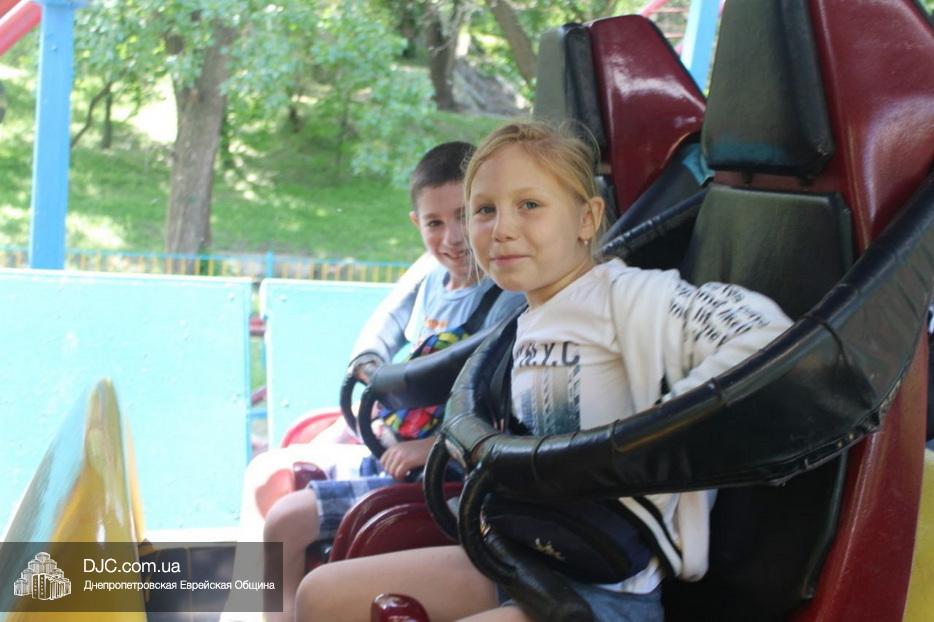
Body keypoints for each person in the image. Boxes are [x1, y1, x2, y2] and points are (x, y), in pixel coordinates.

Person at [292, 121, 793, 622]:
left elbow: (764, 334)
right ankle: (253, 600)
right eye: (485, 210)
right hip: (516, 554)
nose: (502, 229)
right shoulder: (527, 318)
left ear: (586, 218)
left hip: (603, 590)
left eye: (529, 205)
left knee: (286, 521)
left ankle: (251, 589)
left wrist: (656, 436)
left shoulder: (627, 296)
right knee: (316, 594)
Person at [252, 141, 524, 622]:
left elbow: (496, 407)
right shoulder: (431, 276)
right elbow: (380, 334)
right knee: (267, 482)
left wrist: (430, 446)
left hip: (439, 471)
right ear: (417, 224)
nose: (453, 238)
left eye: (466, 216)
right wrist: (372, 375)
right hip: (392, 447)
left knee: (284, 521)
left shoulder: (505, 295)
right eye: (435, 223)